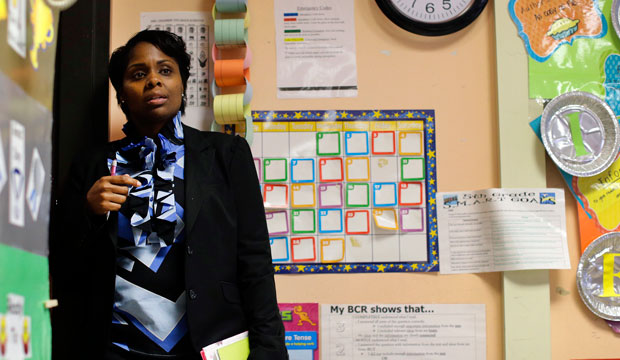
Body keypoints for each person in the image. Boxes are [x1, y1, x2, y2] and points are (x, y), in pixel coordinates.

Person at [50, 29, 288, 360]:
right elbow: (62, 262)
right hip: (116, 348)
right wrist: (88, 212)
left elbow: (255, 259)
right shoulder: (94, 164)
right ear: (121, 94)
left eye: (165, 70)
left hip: (209, 345)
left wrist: (270, 350)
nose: (153, 81)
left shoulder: (226, 154)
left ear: (182, 84)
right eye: (138, 74)